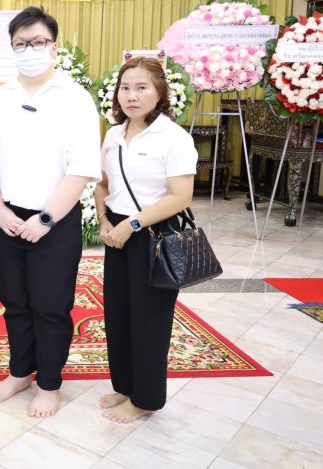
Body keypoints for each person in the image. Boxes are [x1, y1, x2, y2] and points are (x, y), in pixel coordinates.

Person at [0, 6, 102, 418]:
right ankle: (19, 371)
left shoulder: (75, 99)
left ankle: (48, 382)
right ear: (12, 48)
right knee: (15, 302)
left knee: (50, 304)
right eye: (21, 44)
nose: (29, 50)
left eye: (37, 43)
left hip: (54, 221)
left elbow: (81, 167)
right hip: (6, 217)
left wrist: (45, 219)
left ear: (54, 47)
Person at [94, 56, 198, 423]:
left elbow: (180, 196)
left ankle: (146, 399)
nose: (131, 96)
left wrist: (131, 225)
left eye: (142, 88)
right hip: (117, 233)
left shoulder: (174, 137)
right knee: (118, 314)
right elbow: (103, 182)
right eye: (125, 87)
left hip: (153, 235)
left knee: (149, 320)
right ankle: (125, 386)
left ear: (159, 93)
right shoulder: (113, 133)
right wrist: (104, 219)